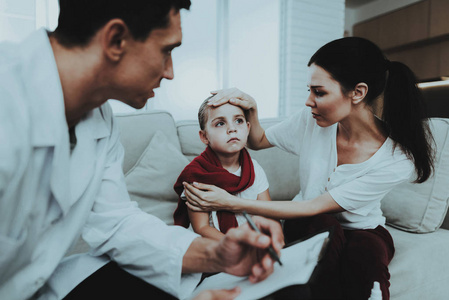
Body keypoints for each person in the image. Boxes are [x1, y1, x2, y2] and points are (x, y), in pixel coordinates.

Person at [0, 1, 284, 299]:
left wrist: (219, 254)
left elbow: (117, 224)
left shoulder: (99, 118)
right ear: (116, 40)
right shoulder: (8, 102)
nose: (170, 72)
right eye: (167, 50)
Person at [182, 37, 435, 300]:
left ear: (358, 93)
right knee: (326, 229)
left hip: (363, 226)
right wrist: (252, 109)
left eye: (319, 92)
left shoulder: (397, 160)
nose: (308, 101)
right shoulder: (312, 121)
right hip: (308, 222)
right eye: (309, 90)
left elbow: (314, 204)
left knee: (367, 253)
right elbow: (258, 141)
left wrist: (231, 203)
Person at [173, 97, 271, 240]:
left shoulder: (254, 169)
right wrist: (236, 245)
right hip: (213, 244)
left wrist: (260, 241)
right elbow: (201, 227)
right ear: (204, 136)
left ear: (248, 128)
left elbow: (267, 213)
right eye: (220, 123)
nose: (232, 129)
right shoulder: (197, 175)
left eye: (239, 121)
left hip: (253, 240)